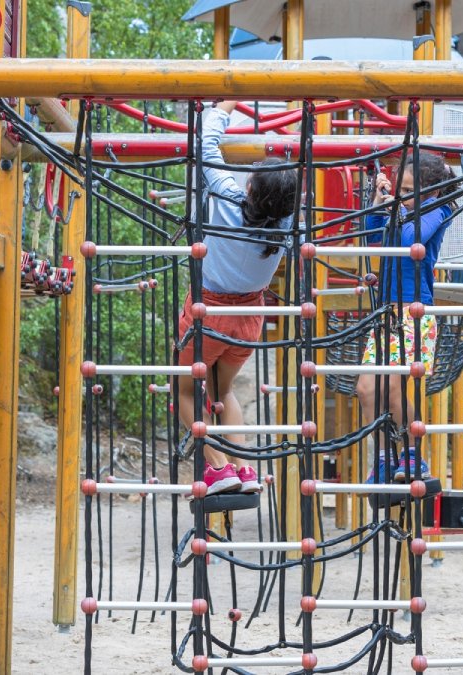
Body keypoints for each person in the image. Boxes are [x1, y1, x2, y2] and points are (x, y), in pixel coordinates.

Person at [174, 101, 299, 497]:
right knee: (221, 390)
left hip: (207, 311)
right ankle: (245, 471)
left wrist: (223, 109)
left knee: (185, 390)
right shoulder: (288, 222)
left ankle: (219, 468)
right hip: (249, 316)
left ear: (249, 188)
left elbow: (207, 147)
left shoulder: (228, 198)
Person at [354, 152, 457, 482]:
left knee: (397, 390)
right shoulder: (402, 211)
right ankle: (384, 459)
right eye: (400, 188)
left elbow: (406, 239)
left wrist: (395, 210)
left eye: (409, 189)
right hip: (386, 314)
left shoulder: (438, 211)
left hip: (413, 313)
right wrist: (378, 200)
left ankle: (414, 456)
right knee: (367, 390)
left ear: (432, 191)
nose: (402, 194)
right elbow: (373, 238)